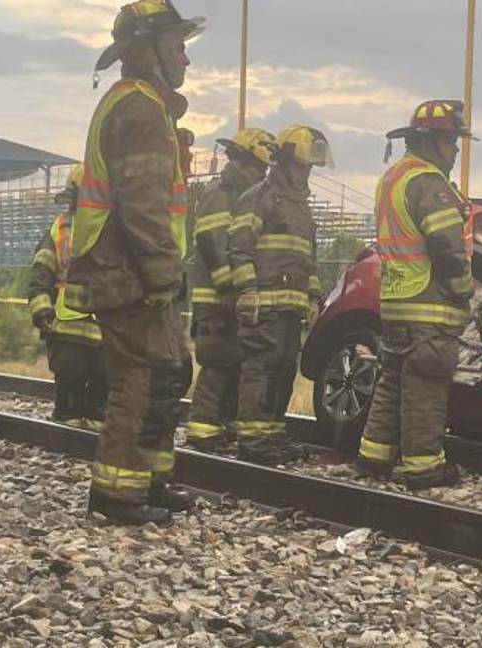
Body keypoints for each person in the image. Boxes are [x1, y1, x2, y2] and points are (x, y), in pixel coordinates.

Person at [64, 0, 204, 526]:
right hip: (130, 269)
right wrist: (163, 270)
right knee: (139, 378)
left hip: (135, 266)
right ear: (147, 51)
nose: (185, 60)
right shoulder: (140, 107)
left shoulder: (144, 104)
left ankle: (149, 480)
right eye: (177, 47)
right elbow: (141, 202)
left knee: (165, 373)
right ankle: (117, 495)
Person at [355, 100, 475, 490]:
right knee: (426, 386)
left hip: (395, 301)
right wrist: (462, 292)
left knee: (392, 381)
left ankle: (374, 457)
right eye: (452, 141)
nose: (456, 150)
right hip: (429, 306)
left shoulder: (393, 178)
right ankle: (424, 468)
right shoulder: (428, 182)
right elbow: (446, 245)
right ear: (433, 142)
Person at [229, 125, 331, 463]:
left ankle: (271, 435)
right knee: (261, 368)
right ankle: (252, 441)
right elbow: (239, 249)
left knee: (284, 369)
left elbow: (307, 259)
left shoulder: (300, 208)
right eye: (302, 166)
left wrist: (314, 298)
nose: (307, 174)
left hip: (290, 309)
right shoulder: (259, 197)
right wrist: (248, 291)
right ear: (284, 163)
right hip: (264, 306)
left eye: (310, 168)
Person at [185, 128, 275, 452]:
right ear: (240, 161)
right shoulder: (219, 193)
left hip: (232, 296)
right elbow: (212, 242)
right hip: (216, 298)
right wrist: (229, 286)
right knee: (217, 364)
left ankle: (224, 426)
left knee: (236, 361)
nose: (261, 175)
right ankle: (202, 429)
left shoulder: (243, 196)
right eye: (258, 168)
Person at [27, 164, 108, 430]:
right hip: (67, 326)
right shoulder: (59, 230)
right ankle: (69, 439)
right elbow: (41, 274)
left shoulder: (112, 229)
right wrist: (42, 312)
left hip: (102, 330)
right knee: (70, 402)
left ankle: (89, 439)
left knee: (101, 401)